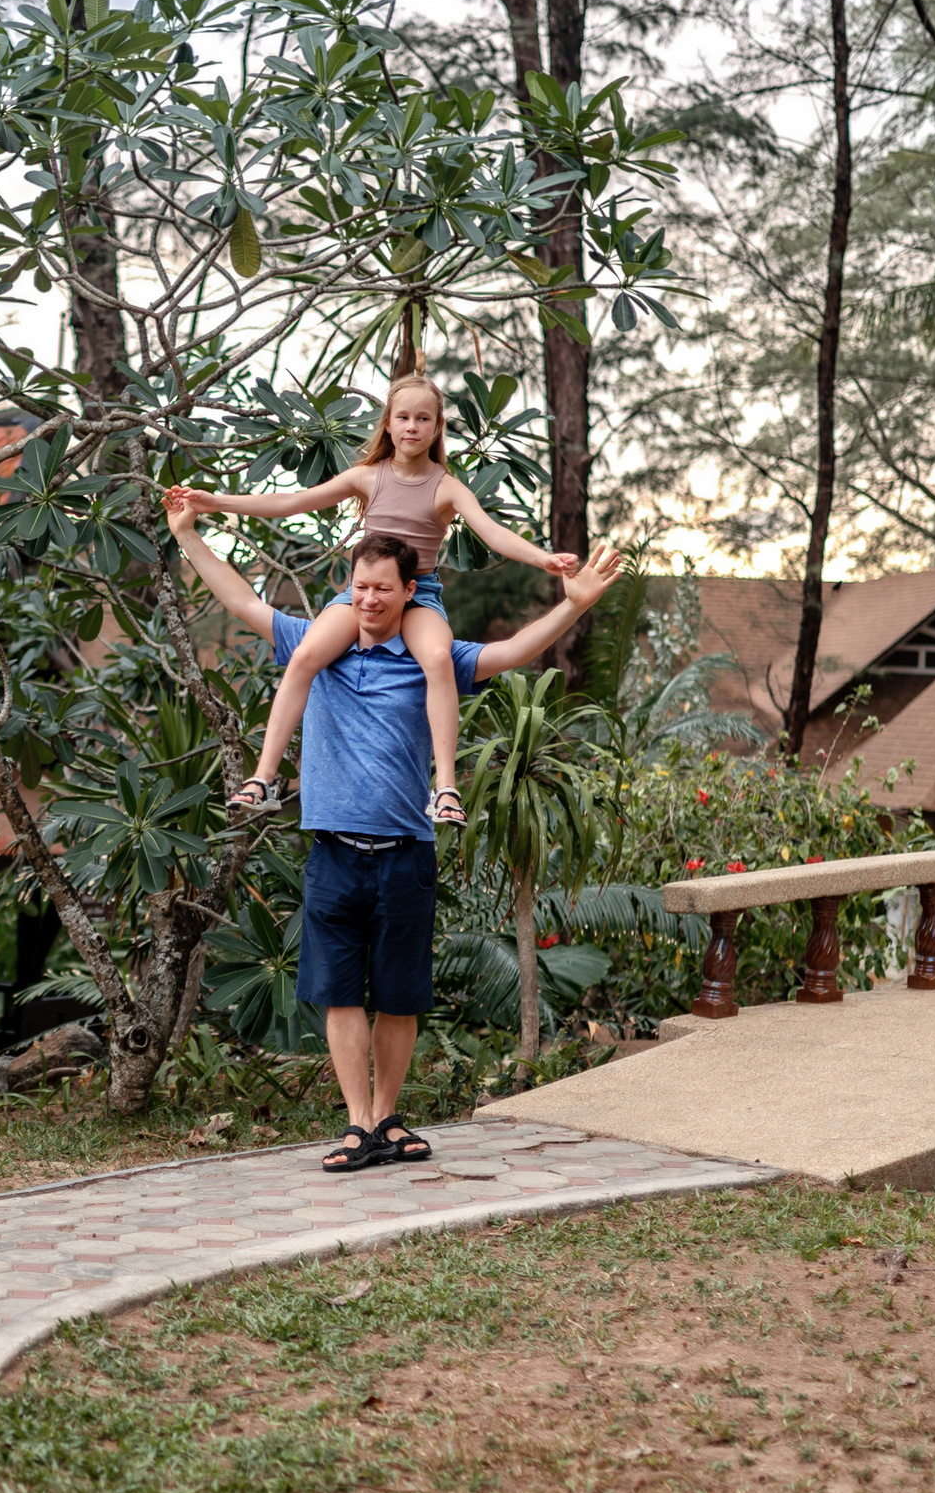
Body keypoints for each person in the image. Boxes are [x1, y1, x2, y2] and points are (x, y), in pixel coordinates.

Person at [163, 492, 623, 1173]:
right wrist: (188, 537)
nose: (370, 599)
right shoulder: (319, 649)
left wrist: (575, 602)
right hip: (334, 854)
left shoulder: (429, 657)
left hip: (406, 854)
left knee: (400, 996)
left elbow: (514, 650)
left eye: (383, 588)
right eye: (360, 587)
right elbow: (240, 602)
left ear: (413, 592)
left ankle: (386, 1117)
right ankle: (357, 1123)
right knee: (343, 993)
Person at [164, 374, 580, 829]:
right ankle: (264, 779)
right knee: (304, 654)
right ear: (387, 424)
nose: (412, 427)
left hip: (417, 596)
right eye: (403, 417)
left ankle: (445, 789)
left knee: (439, 658)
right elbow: (291, 502)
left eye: (423, 419)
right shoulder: (367, 476)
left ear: (438, 428)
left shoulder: (447, 486)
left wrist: (544, 559)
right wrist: (214, 502)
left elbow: (493, 532)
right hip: (364, 594)